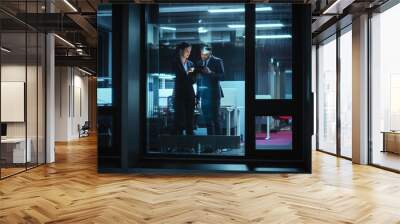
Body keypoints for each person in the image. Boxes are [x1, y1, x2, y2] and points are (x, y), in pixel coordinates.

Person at [196, 45, 224, 135]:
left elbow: (222, 76)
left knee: (216, 119)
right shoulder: (199, 63)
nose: (203, 56)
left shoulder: (217, 61)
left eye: (205, 54)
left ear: (210, 53)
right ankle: (210, 145)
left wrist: (210, 72)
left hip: (214, 95)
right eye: (201, 54)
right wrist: (197, 96)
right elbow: (198, 81)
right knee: (207, 121)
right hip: (204, 96)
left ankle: (219, 145)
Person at [172, 42, 196, 135]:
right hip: (180, 95)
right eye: (187, 51)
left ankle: (190, 144)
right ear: (181, 50)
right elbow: (180, 76)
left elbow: (194, 79)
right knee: (180, 119)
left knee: (190, 119)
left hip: (190, 95)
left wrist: (188, 76)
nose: (188, 53)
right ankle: (180, 144)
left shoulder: (191, 64)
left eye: (190, 51)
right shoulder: (175, 62)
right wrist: (188, 76)